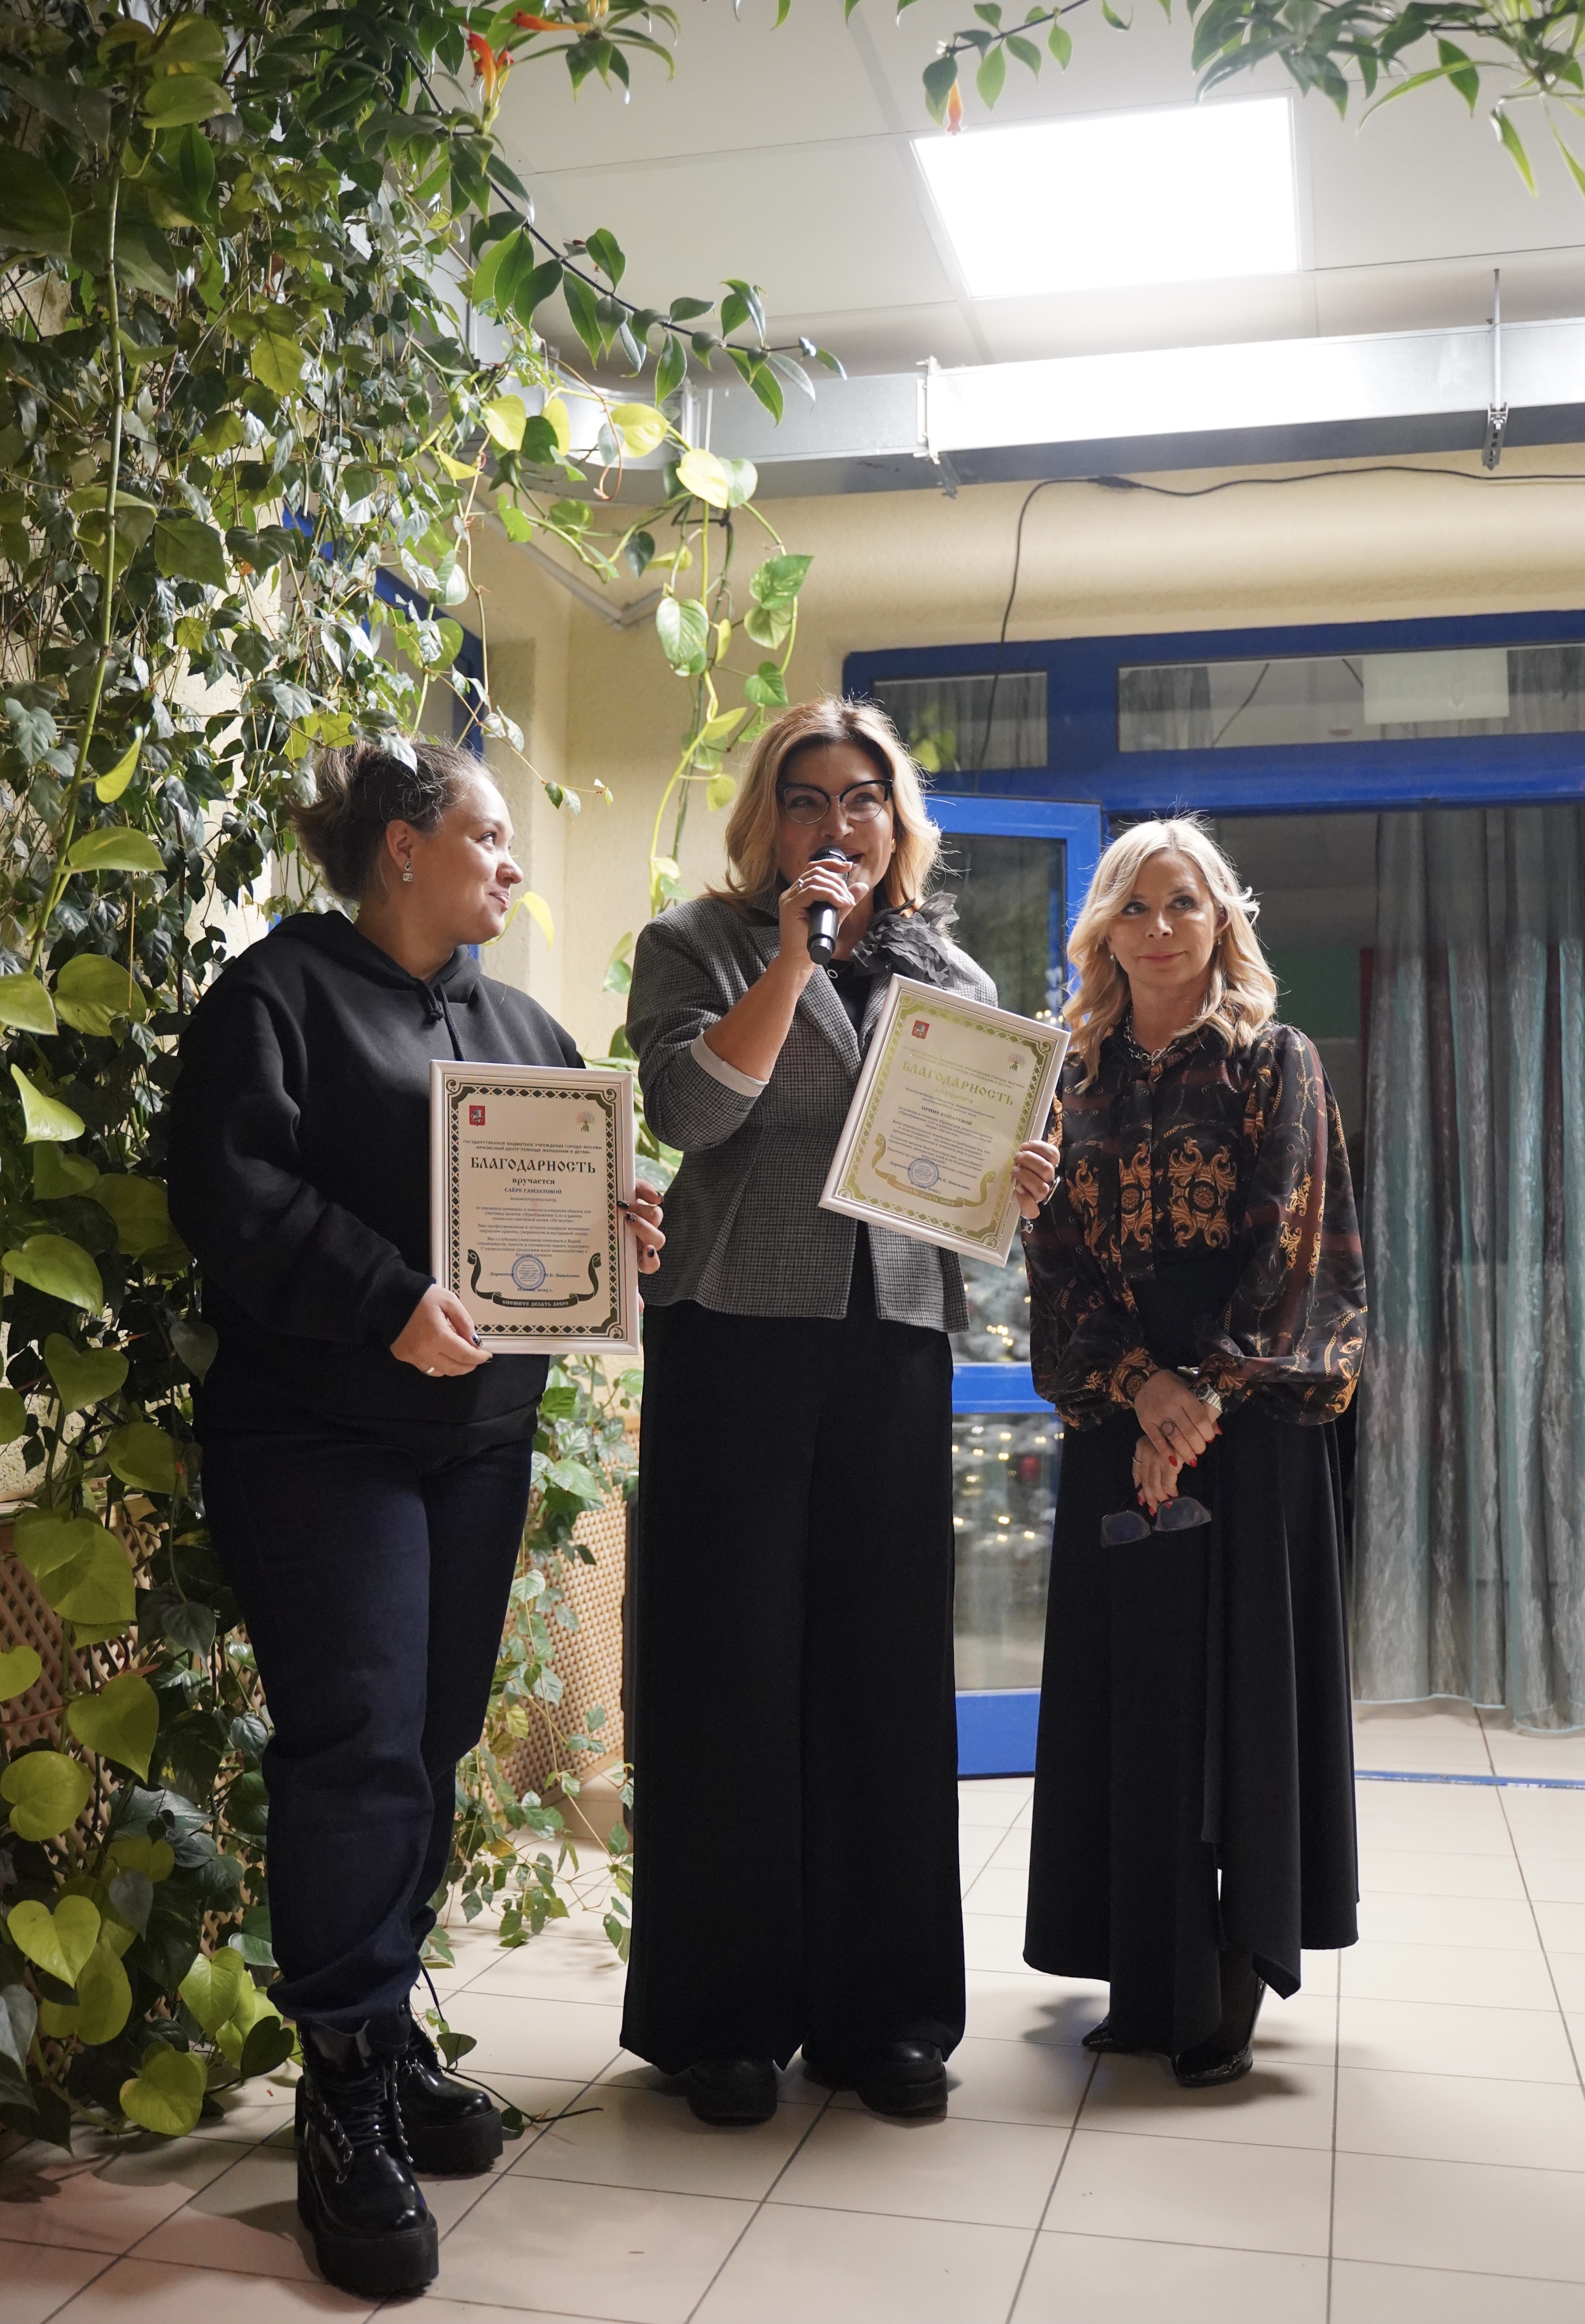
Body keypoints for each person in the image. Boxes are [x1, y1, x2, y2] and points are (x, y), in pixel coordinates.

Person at [168, 739, 664, 2299]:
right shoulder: (275, 1000)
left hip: (476, 1444)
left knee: (433, 1742)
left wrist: (618, 1224)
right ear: (400, 846)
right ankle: (340, 2097)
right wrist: (387, 1300)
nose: (511, 864)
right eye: (488, 836)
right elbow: (231, 1196)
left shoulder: (523, 1030)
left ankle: (378, 2038)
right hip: (316, 1441)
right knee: (363, 1741)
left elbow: (561, 1210)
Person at [621, 695, 1062, 2127]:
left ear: (895, 822)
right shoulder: (698, 942)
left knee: (881, 1671)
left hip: (894, 1335)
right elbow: (693, 1115)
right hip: (735, 1331)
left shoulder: (946, 969)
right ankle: (723, 2021)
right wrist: (791, 953)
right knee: (732, 1668)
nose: (836, 822)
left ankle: (885, 2018)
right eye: (807, 798)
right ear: (769, 819)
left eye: (862, 798)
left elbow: (966, 1157)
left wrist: (1015, 1177)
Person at [1020, 817, 1365, 2087]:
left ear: (1223, 921)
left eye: (1184, 904)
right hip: (1120, 1409)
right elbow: (1053, 1259)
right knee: (1135, 1694)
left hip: (1251, 1420)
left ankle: (1232, 1965)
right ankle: (1145, 1964)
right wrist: (1139, 1390)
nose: (1161, 928)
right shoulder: (1066, 1080)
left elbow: (1292, 1248)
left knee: (1238, 1696)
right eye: (1135, 906)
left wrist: (1199, 1400)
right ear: (1102, 932)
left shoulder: (1276, 1059)